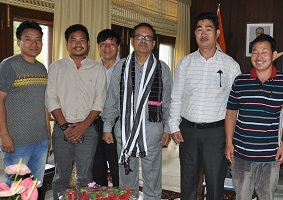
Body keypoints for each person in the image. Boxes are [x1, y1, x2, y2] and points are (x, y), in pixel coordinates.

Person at [169, 12, 241, 200]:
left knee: (215, 184)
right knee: (188, 182)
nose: (203, 33)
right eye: (199, 29)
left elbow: (236, 105)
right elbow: (176, 97)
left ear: (217, 33)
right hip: (188, 132)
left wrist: (231, 138)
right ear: (194, 34)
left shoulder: (230, 65)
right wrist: (174, 126)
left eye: (208, 29)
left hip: (216, 133)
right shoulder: (185, 63)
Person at [102, 22, 172, 199]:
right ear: (132, 41)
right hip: (125, 131)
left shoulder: (162, 68)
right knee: (126, 180)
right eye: (139, 37)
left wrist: (167, 129)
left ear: (153, 43)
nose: (143, 41)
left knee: (153, 178)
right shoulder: (121, 67)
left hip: (152, 131)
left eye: (148, 37)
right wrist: (107, 128)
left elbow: (168, 102)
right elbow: (111, 100)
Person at [46, 24, 106, 199]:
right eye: (73, 40)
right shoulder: (56, 67)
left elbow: (99, 101)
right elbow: (51, 98)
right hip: (61, 129)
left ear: (87, 43)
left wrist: (83, 126)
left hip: (88, 129)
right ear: (67, 43)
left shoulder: (97, 69)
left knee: (85, 177)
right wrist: (65, 127)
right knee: (61, 176)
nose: (78, 44)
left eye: (82, 40)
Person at [225, 34, 283, 199]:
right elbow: (231, 112)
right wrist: (229, 142)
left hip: (270, 156)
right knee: (242, 196)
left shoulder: (281, 82)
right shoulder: (241, 81)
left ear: (274, 55)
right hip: (242, 154)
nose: (259, 56)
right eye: (255, 52)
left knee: (266, 196)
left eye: (264, 51)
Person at [0, 20, 50, 186]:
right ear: (18, 42)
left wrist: (48, 134)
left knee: (35, 186)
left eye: (38, 39)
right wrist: (4, 136)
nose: (34, 43)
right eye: (28, 39)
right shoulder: (8, 66)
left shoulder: (42, 68)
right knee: (15, 187)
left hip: (41, 140)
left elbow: (44, 103)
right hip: (17, 142)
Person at [92, 29, 121, 187]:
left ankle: (120, 196)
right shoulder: (91, 69)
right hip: (94, 122)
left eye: (111, 44)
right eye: (103, 44)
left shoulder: (126, 69)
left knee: (117, 167)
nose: (107, 48)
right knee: (97, 167)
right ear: (97, 46)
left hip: (118, 123)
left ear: (118, 47)